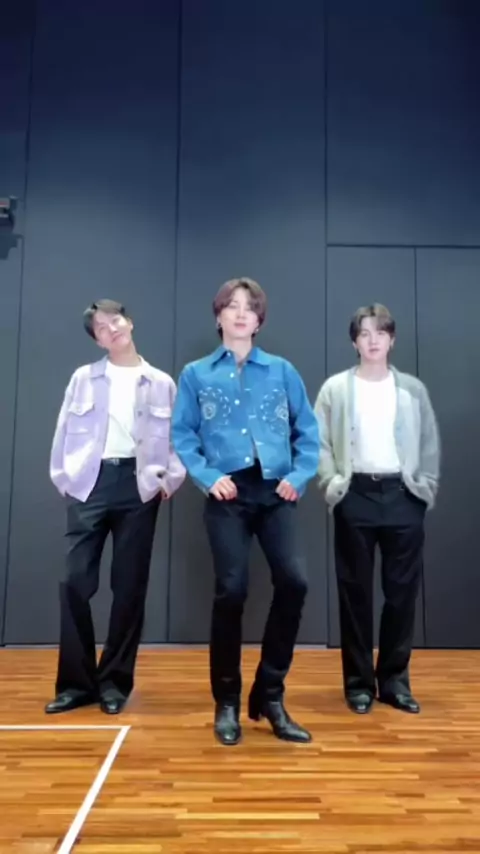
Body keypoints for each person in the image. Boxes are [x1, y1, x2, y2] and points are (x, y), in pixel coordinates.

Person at [171, 277, 319, 746]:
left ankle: (270, 695)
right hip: (227, 494)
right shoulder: (196, 374)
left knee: (294, 582)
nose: (240, 313)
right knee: (231, 590)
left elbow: (308, 430)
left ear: (259, 320)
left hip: (275, 490)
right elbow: (183, 434)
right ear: (219, 316)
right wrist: (206, 475)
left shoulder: (281, 371)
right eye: (231, 306)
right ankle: (227, 701)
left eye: (249, 307)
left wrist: (299, 476)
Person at [46, 299, 185, 715]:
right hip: (89, 483)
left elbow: (178, 436)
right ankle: (76, 684)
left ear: (130, 321)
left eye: (115, 320)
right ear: (97, 340)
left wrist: (169, 480)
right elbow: (64, 430)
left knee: (129, 587)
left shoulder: (160, 382)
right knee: (74, 581)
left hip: (138, 487)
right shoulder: (83, 378)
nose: (112, 329)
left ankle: (114, 683)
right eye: (102, 328)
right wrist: (65, 478)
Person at [314, 303, 440, 715]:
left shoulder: (412, 390)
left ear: (391, 340)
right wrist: (333, 485)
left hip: (403, 496)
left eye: (380, 333)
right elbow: (319, 442)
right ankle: (358, 684)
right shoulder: (335, 389)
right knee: (355, 593)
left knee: (402, 594)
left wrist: (424, 489)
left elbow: (428, 442)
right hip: (355, 495)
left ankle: (394, 682)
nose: (373, 340)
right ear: (355, 341)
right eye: (365, 333)